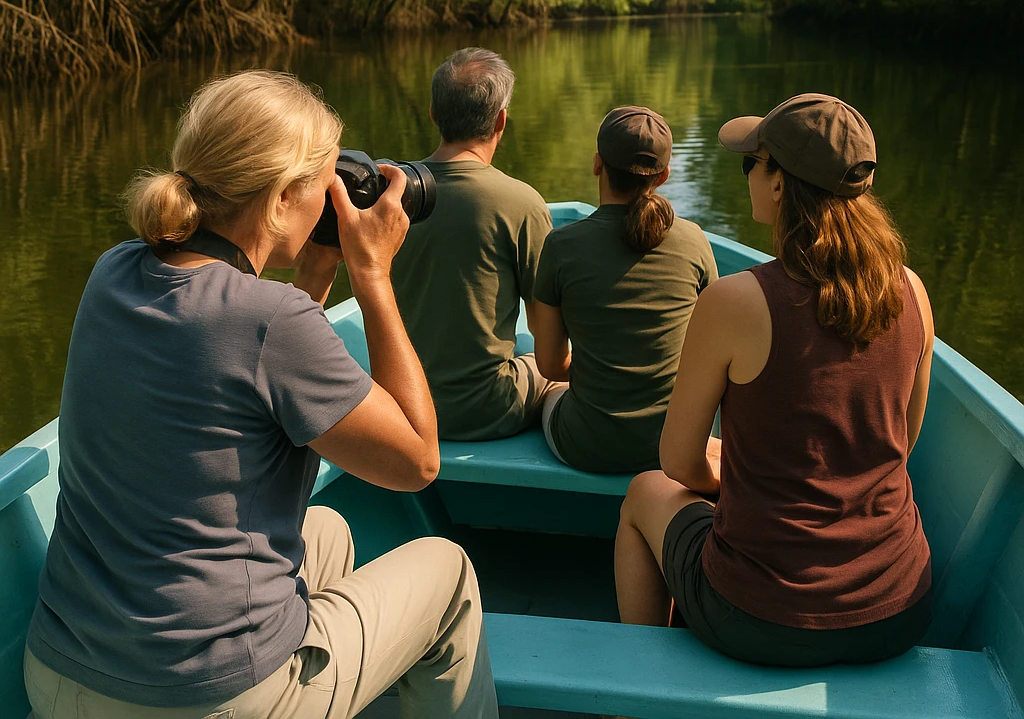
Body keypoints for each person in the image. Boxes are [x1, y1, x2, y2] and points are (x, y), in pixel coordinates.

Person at [24, 70, 498, 719]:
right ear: (281, 200)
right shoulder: (271, 321)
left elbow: (246, 366)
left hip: (59, 673)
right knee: (448, 574)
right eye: (326, 183)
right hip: (206, 698)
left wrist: (314, 270)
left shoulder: (116, 268)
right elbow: (417, 462)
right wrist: (372, 276)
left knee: (325, 531)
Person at [614, 93, 934, 666]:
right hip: (899, 608)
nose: (749, 177)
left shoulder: (735, 302)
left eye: (751, 163)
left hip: (761, 616)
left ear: (781, 183)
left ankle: (637, 690)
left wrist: (735, 472)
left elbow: (678, 463)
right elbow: (902, 442)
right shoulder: (911, 289)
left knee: (644, 492)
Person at [531, 106, 718, 473]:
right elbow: (708, 349)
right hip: (673, 447)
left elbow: (551, 366)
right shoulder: (693, 241)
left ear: (598, 163)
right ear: (663, 176)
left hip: (586, 446)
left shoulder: (562, 246)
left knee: (548, 391)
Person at [390, 47, 555, 440]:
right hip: (485, 409)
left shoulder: (389, 194)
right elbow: (550, 341)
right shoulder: (521, 203)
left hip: (401, 405)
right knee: (555, 377)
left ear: (433, 113)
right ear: (501, 119)